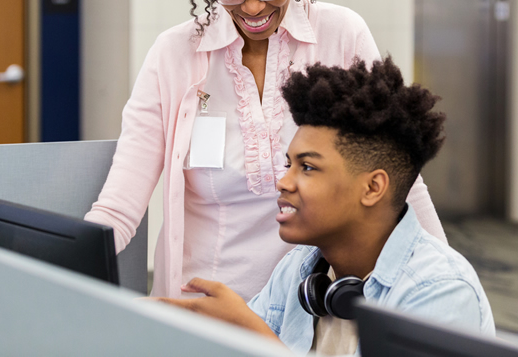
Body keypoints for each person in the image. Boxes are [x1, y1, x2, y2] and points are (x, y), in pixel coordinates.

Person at [84, 0, 445, 300]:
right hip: (204, 304)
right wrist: (53, 266)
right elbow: (121, 203)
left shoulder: (340, 35)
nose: (252, 7)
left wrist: (445, 281)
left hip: (312, 304)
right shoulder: (174, 54)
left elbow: (399, 177)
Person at [154, 57, 495, 355]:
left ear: (373, 187)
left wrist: (255, 336)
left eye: (308, 167)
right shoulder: (301, 270)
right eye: (289, 165)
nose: (284, 182)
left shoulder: (439, 293)